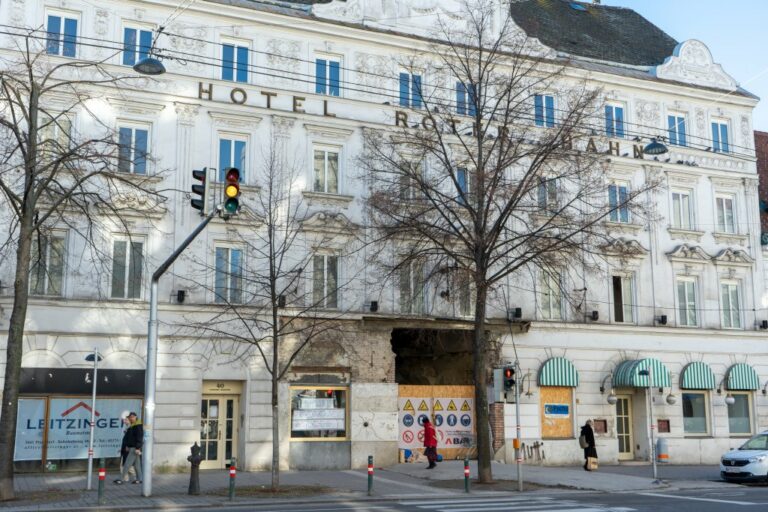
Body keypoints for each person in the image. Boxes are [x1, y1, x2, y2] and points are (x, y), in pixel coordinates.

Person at [115, 412, 143, 484]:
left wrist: (137, 448)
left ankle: (121, 479)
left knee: (127, 464)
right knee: (137, 465)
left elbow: (139, 437)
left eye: (133, 417)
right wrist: (127, 445)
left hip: (134, 448)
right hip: (132, 447)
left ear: (136, 417)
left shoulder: (138, 426)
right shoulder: (132, 426)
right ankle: (140, 479)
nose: (131, 418)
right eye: (130, 417)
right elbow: (130, 438)